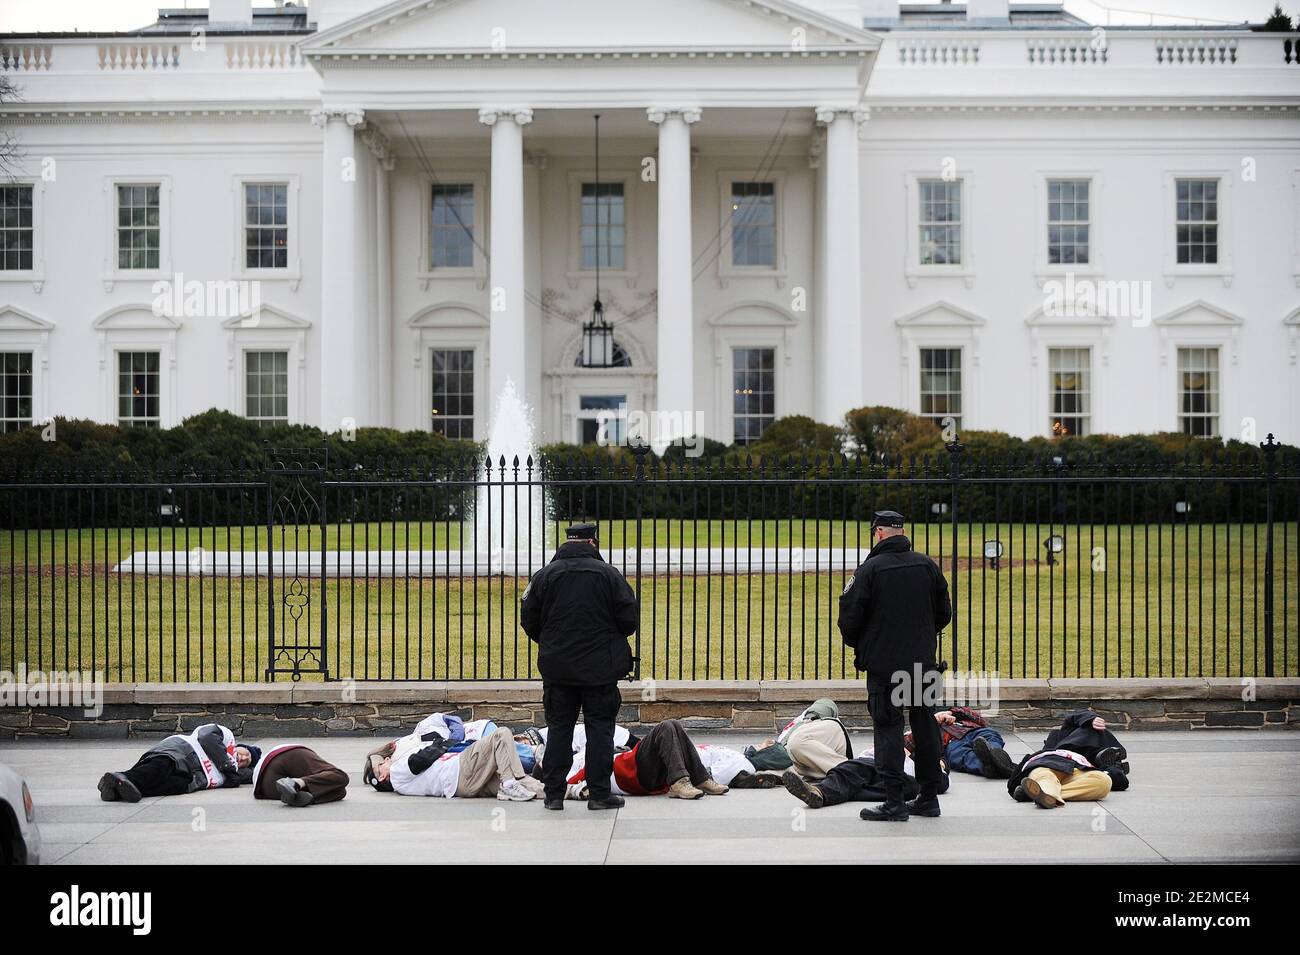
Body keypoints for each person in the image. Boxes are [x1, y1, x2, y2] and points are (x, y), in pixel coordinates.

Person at [838, 509, 952, 822]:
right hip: (923, 664)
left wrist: (864, 644)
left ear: (877, 533)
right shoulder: (926, 565)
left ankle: (894, 801)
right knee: (926, 727)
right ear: (901, 532)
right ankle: (929, 798)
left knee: (888, 729)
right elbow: (944, 611)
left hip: (885, 668)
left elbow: (849, 619)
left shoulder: (870, 570)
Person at [521, 521, 639, 811]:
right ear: (592, 542)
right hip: (600, 671)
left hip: (558, 669)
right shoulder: (610, 575)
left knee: (559, 729)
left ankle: (553, 795)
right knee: (600, 730)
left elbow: (529, 619)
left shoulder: (545, 576)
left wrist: (551, 642)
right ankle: (599, 794)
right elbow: (628, 621)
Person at [364, 712, 545, 801]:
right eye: (383, 764)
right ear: (382, 776)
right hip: (461, 769)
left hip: (462, 784)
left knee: (528, 786)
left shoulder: (401, 779)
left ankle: (570, 791)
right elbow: (422, 759)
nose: (387, 760)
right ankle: (513, 779)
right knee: (501, 734)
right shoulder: (397, 772)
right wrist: (442, 742)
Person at [545, 718, 729, 800]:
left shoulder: (576, 753)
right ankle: (681, 782)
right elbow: (573, 785)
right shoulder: (567, 771)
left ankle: (700, 779)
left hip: (634, 766)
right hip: (630, 772)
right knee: (665, 727)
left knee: (673, 725)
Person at [98, 724, 260, 802]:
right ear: (240, 746)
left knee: (173, 784)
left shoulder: (235, 771)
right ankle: (121, 777)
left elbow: (254, 775)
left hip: (190, 776)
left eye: (247, 762)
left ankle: (116, 789)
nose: (244, 759)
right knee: (161, 768)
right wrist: (227, 767)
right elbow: (205, 737)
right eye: (246, 754)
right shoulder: (225, 736)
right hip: (181, 751)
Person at [1007, 710, 1130, 809]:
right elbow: (1072, 717)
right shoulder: (1064, 735)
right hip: (1049, 762)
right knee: (1047, 776)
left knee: (1104, 782)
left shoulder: (1089, 759)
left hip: (1078, 769)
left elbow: (1122, 782)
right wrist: (1091, 718)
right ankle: (1043, 793)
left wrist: (1111, 772)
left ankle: (1038, 794)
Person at [782, 750, 951, 809]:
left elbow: (940, 784)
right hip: (872, 765)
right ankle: (820, 792)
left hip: (901, 780)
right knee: (852, 772)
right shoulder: (902, 747)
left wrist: (940, 767)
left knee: (850, 783)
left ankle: (819, 792)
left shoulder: (931, 771)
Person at [744, 699, 852, 777]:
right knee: (790, 765)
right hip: (802, 757)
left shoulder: (811, 721)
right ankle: (853, 771)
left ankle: (855, 771)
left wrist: (810, 718)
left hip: (819, 731)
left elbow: (826, 705)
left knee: (796, 743)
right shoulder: (787, 762)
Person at [908, 706, 1016, 780]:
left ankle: (995, 757)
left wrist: (951, 713)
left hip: (971, 731)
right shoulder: (919, 729)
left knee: (991, 736)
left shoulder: (958, 717)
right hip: (951, 745)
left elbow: (980, 720)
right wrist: (928, 725)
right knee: (963, 757)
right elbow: (906, 747)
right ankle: (994, 766)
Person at [252, 743, 350, 807]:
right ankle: (296, 783)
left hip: (266, 788)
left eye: (242, 754)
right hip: (284, 757)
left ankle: (296, 793)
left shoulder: (246, 764)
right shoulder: (294, 754)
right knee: (340, 776)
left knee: (340, 792)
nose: (243, 758)